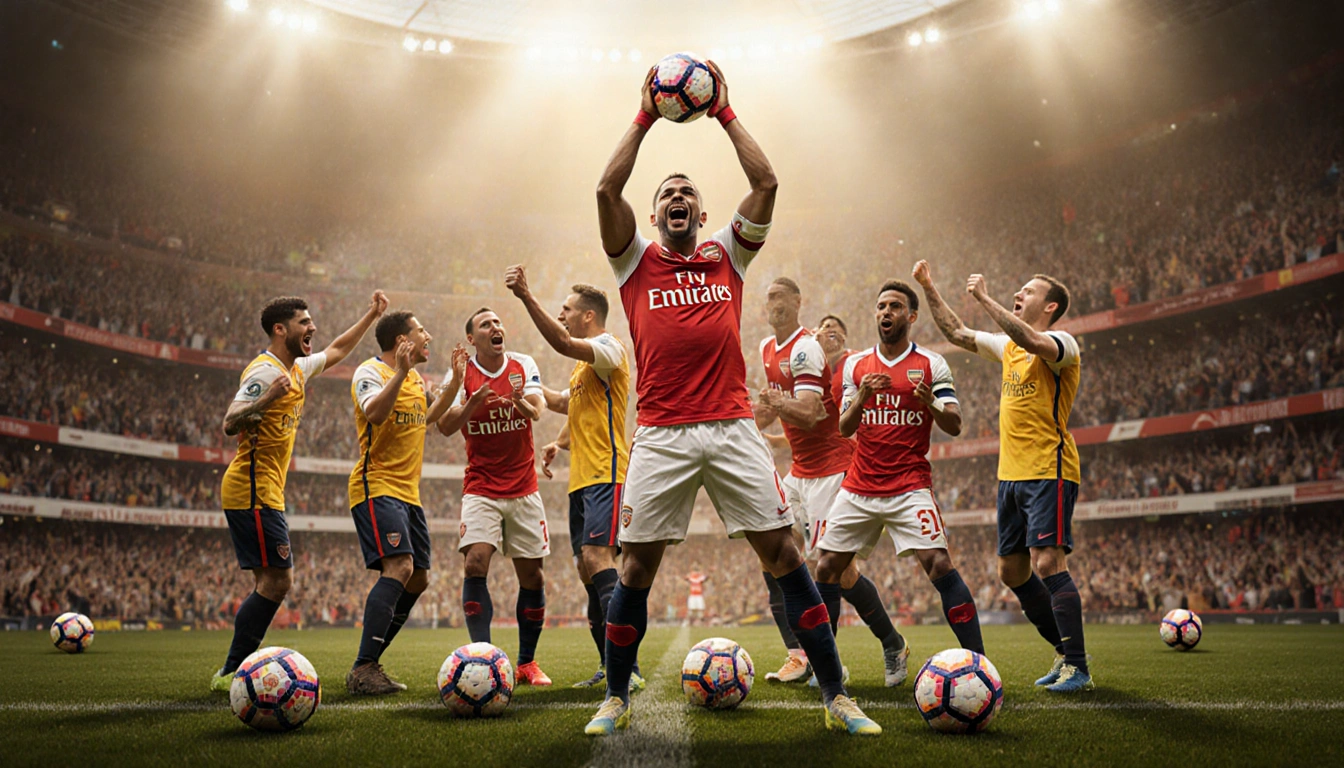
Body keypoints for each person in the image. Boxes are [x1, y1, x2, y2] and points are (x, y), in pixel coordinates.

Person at [585, 61, 878, 736]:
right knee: (635, 567)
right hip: (662, 432)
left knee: (786, 558)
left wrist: (722, 111)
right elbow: (605, 188)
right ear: (653, 215)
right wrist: (645, 115)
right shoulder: (633, 261)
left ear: (702, 213)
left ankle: (836, 696)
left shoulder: (728, 254)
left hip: (731, 426)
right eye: (668, 193)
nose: (678, 196)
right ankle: (616, 696)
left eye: (688, 192)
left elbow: (767, 182)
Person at [913, 259, 1092, 692]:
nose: (1019, 293)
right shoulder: (1007, 347)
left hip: (1048, 468)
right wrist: (929, 286)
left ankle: (1079, 667)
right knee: (1012, 573)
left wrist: (983, 298)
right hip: (1009, 474)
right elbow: (957, 333)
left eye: (1028, 291)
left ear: (1049, 307)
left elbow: (1029, 338)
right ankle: (1063, 651)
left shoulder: (1062, 343)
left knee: (1047, 561)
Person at [211, 291, 387, 692]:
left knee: (269, 582)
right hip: (252, 488)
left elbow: (337, 349)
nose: (313, 327)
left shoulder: (297, 368)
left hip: (266, 489)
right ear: (280, 329)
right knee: (278, 582)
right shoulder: (264, 372)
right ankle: (232, 672)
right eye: (304, 322)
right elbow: (229, 422)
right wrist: (268, 397)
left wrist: (371, 314)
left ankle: (235, 671)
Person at [814, 280, 985, 665]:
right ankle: (826, 669)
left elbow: (955, 424)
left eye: (894, 306)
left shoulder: (931, 364)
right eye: (881, 307)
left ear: (911, 315)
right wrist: (861, 396)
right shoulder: (858, 365)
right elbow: (844, 428)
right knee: (826, 567)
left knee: (939, 564)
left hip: (909, 486)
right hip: (859, 485)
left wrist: (931, 403)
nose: (886, 312)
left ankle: (979, 665)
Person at [755, 278, 908, 687]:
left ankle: (890, 644)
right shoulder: (769, 350)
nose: (827, 333)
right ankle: (799, 655)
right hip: (799, 473)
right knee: (770, 555)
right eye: (823, 328)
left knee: (838, 572)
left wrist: (779, 402)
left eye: (835, 329)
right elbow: (773, 409)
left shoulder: (837, 361)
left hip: (835, 470)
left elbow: (809, 414)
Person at [504, 266, 644, 692]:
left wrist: (527, 297)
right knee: (587, 568)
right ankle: (609, 665)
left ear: (588, 316)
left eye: (566, 309)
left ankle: (628, 670)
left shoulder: (609, 348)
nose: (562, 315)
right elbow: (567, 403)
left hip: (606, 473)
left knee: (599, 560)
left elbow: (563, 343)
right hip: (581, 480)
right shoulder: (585, 370)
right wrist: (529, 388)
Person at [345, 311, 467, 694]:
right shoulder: (370, 372)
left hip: (408, 493)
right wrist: (398, 373)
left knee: (419, 577)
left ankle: (369, 662)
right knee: (399, 566)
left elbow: (429, 419)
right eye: (420, 330)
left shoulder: (416, 378)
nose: (428, 335)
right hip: (376, 484)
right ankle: (364, 666)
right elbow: (374, 413)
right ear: (402, 340)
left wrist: (456, 384)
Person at [436, 308, 553, 686]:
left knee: (532, 575)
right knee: (475, 562)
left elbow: (537, 409)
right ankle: (481, 660)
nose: (495, 327)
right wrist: (472, 401)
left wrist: (519, 402)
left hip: (524, 486)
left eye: (498, 322)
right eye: (486, 324)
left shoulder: (522, 364)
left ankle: (526, 663)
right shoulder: (460, 373)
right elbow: (444, 426)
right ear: (472, 339)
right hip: (481, 486)